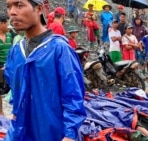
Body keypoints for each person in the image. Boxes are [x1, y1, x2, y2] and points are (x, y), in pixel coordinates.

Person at [5, 0, 86, 140]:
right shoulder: (16, 51)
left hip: (52, 133)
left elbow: (73, 97)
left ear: (39, 9)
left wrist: (70, 134)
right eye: (8, 6)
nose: (12, 12)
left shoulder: (59, 49)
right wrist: (15, 113)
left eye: (19, 5)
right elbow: (15, 88)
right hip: (21, 131)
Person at [0, 14, 12, 116]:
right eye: (7, 23)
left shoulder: (9, 35)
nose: (8, 25)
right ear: (1, 24)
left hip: (8, 65)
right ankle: (1, 112)